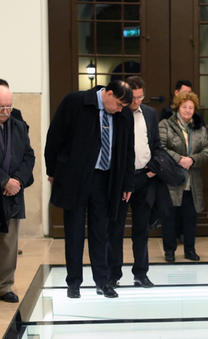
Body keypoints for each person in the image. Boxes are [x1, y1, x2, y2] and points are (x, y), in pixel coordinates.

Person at [45, 79, 135, 299]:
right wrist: (53, 171)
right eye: (119, 104)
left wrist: (127, 182)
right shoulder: (75, 102)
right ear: (109, 93)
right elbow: (55, 136)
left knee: (100, 232)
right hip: (75, 178)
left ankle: (103, 281)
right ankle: (74, 282)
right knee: (74, 232)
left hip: (105, 179)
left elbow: (128, 150)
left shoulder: (123, 114)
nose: (120, 110)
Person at [0, 79, 35, 312]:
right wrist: (4, 181)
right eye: (1, 107)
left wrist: (18, 181)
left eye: (8, 107)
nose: (5, 111)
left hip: (14, 195)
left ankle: (4, 286)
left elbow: (29, 156)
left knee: (9, 245)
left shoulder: (19, 126)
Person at [107, 76, 163, 286]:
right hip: (121, 180)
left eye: (141, 97)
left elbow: (156, 144)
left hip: (144, 177)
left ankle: (141, 272)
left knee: (142, 229)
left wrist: (153, 168)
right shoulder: (116, 112)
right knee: (116, 228)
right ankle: (114, 274)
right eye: (134, 97)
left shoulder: (150, 113)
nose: (137, 101)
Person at [158, 91, 208, 262]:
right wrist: (180, 159)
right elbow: (161, 147)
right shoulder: (166, 125)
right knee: (169, 216)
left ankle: (190, 250)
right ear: (177, 107)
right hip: (171, 178)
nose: (188, 110)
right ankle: (169, 251)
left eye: (191, 107)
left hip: (192, 179)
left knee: (190, 216)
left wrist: (192, 160)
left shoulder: (200, 128)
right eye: (184, 107)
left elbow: (207, 151)